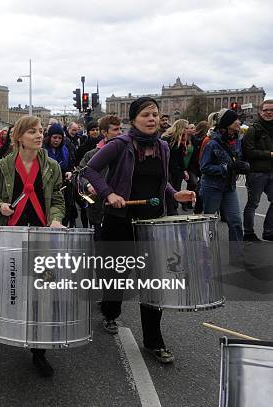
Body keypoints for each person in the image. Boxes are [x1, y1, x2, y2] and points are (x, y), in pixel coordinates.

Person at [83, 97, 195, 364]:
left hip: (152, 225)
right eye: (146, 114)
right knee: (116, 275)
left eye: (155, 114)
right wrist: (109, 194)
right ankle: (110, 313)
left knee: (153, 281)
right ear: (133, 119)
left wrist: (174, 193)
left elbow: (162, 181)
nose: (152, 119)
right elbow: (90, 170)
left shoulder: (163, 147)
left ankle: (154, 341)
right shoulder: (119, 145)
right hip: (120, 220)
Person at [0, 115, 64, 378]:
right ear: (19, 137)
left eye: (40, 131)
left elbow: (58, 199)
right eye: (33, 132)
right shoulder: (3, 165)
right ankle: (12, 329)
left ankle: (39, 351)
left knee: (42, 292)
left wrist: (55, 218)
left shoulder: (52, 166)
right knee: (14, 288)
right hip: (11, 235)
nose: (39, 135)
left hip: (42, 236)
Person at [200, 108, 247, 261]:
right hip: (212, 187)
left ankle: (237, 256)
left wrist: (243, 166)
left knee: (235, 221)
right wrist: (226, 167)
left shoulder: (237, 141)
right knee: (209, 222)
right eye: (235, 121)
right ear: (227, 124)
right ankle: (205, 254)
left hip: (229, 187)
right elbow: (204, 167)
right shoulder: (211, 143)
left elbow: (237, 159)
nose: (239, 122)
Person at [79, 114, 122, 240]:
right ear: (104, 132)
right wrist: (87, 184)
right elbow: (79, 174)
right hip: (98, 210)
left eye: (121, 129)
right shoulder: (90, 154)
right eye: (115, 130)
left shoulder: (128, 153)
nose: (119, 133)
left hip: (122, 210)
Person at [242, 99, 273, 241]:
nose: (268, 112)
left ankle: (268, 231)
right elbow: (249, 152)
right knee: (253, 203)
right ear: (260, 112)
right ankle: (248, 232)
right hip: (256, 172)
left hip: (271, 171)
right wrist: (269, 154)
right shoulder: (253, 129)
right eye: (266, 110)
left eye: (271, 110)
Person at [162, 119, 190, 215]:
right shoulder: (167, 138)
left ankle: (173, 209)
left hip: (177, 170)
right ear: (180, 127)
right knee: (170, 190)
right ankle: (171, 211)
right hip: (167, 168)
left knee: (176, 189)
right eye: (186, 128)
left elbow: (180, 157)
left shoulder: (182, 139)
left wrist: (184, 170)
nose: (187, 130)